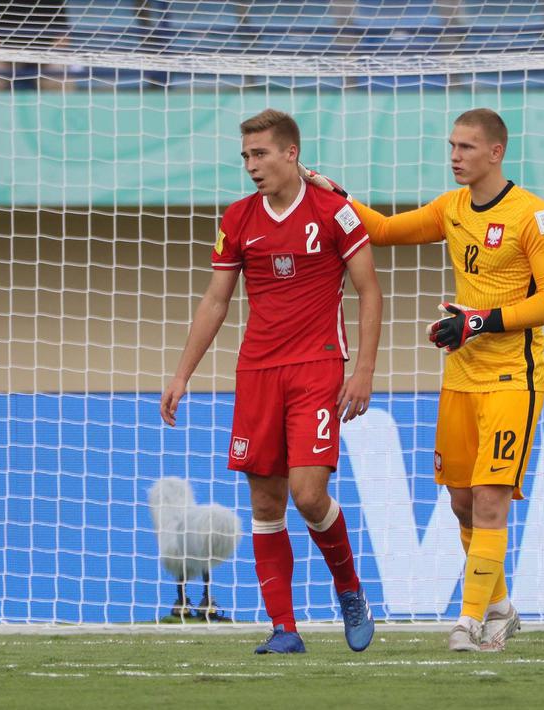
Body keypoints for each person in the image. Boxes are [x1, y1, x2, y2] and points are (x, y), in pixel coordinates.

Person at [302, 108, 544, 652]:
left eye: (467, 147)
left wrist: (480, 321)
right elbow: (381, 230)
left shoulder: (533, 217)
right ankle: (499, 605)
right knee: (461, 503)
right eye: (452, 146)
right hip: (460, 379)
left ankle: (469, 622)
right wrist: (336, 197)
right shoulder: (451, 208)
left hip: (511, 380)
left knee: (491, 498)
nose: (455, 156)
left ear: (496, 152)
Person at [161, 108, 382, 654]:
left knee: (309, 496)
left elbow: (370, 291)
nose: (251, 166)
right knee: (265, 504)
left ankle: (350, 591)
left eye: (260, 154)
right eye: (245, 156)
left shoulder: (335, 211)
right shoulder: (237, 218)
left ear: (291, 154)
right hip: (257, 372)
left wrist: (364, 372)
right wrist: (181, 374)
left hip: (317, 368)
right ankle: (284, 628)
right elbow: (216, 300)